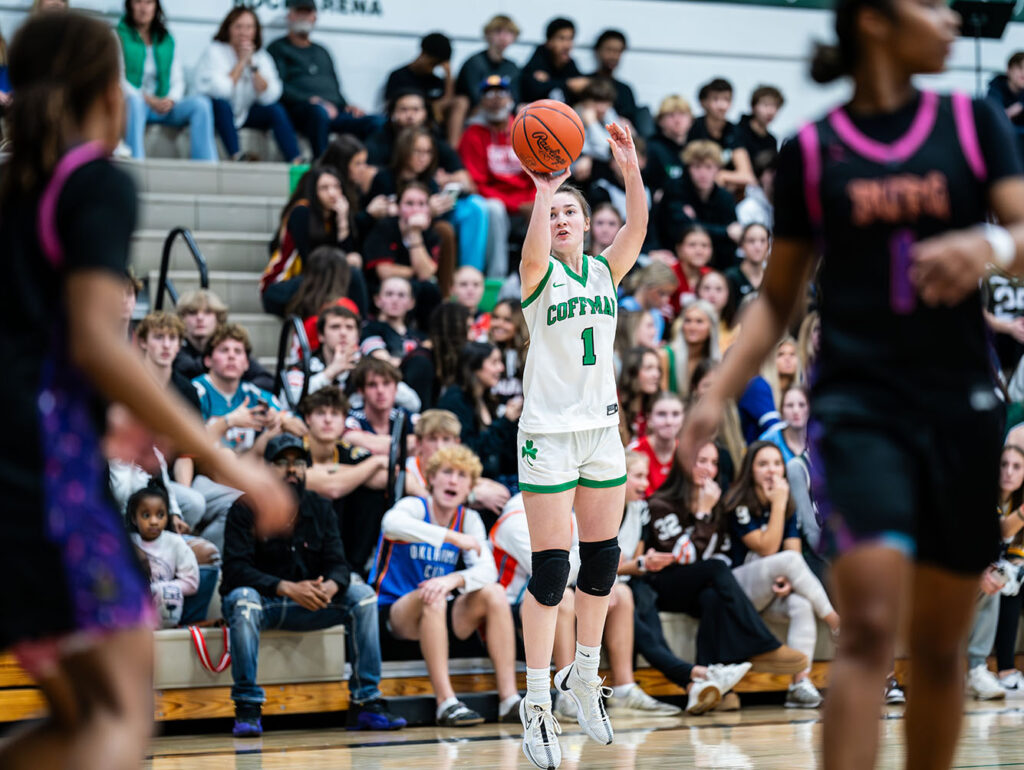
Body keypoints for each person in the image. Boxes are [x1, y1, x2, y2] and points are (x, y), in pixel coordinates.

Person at [679, 0, 1024, 758]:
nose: (950, 21)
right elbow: (778, 301)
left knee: (937, 645)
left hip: (961, 404)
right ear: (873, 18)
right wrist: (712, 392)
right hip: (859, 405)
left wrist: (989, 244)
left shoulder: (975, 124)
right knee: (869, 624)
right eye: (930, 5)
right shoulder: (811, 150)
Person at [0, 13, 291, 768]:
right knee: (122, 721)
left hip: (31, 472)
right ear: (107, 94)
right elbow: (99, 340)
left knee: (86, 720)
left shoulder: (13, 195)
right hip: (46, 484)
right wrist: (226, 459)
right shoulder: (94, 181)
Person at [515, 122, 645, 769]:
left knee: (601, 564)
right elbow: (535, 250)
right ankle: (537, 701)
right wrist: (545, 187)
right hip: (547, 436)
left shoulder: (604, 272)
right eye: (556, 213)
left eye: (572, 210)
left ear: (589, 225)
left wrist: (630, 169)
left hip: (601, 430)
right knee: (550, 573)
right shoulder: (538, 279)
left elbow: (638, 230)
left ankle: (583, 676)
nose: (563, 217)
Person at [222, 433, 406, 736]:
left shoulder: (320, 507)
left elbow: (339, 563)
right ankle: (247, 707)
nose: (291, 469)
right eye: (282, 462)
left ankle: (367, 702)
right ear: (267, 469)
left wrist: (332, 586)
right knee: (243, 599)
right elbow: (235, 570)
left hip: (313, 602)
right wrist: (286, 587)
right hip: (268, 603)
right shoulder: (244, 508)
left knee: (362, 596)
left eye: (298, 463)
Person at [644, 444, 810, 709]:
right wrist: (702, 515)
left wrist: (710, 512)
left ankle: (713, 689)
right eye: (700, 460)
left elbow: (722, 553)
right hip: (666, 584)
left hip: (701, 585)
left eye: (713, 462)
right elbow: (681, 557)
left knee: (713, 596)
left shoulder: (718, 504)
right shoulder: (661, 503)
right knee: (716, 571)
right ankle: (762, 644)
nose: (708, 468)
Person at [370, 445, 521, 726]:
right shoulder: (414, 505)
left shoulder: (469, 518)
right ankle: (446, 702)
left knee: (494, 593)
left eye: (462, 476)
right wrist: (451, 538)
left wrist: (454, 579)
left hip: (440, 612)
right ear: (431, 478)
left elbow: (487, 570)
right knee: (433, 595)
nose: (453, 480)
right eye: (447, 472)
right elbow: (390, 524)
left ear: (469, 487)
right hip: (395, 612)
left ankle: (509, 700)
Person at [609, 453, 752, 714]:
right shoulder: (604, 508)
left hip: (629, 581)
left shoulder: (639, 509)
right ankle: (699, 674)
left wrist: (641, 564)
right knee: (636, 605)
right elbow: (604, 565)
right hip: (602, 585)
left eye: (647, 476)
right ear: (618, 475)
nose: (645, 483)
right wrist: (640, 564)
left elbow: (635, 561)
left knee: (646, 600)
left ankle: (692, 685)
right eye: (639, 476)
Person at [723, 441, 840, 708]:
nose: (771, 470)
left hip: (770, 589)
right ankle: (835, 621)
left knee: (801, 604)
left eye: (777, 463)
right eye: (763, 464)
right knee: (788, 560)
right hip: (738, 590)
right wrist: (777, 504)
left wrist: (788, 582)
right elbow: (765, 548)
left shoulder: (786, 503)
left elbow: (793, 553)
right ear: (750, 469)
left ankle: (800, 683)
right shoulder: (739, 501)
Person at [267, 0, 380, 157]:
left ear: (315, 17)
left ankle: (366, 170)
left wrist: (347, 105)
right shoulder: (278, 48)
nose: (304, 17)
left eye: (308, 13)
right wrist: (311, 100)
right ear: (290, 15)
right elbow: (278, 88)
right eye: (300, 12)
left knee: (376, 122)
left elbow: (334, 87)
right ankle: (322, 166)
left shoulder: (322, 51)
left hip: (333, 110)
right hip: (303, 111)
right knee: (318, 112)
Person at [195, 6, 301, 164]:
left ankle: (296, 159)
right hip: (219, 112)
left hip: (245, 112)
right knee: (222, 106)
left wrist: (252, 66)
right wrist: (241, 62)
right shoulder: (214, 51)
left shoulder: (261, 56)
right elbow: (221, 91)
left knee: (275, 110)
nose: (243, 32)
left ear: (256, 31)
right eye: (238, 26)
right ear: (228, 28)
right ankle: (236, 156)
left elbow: (271, 95)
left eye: (249, 27)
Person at [119, 0, 217, 161]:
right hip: (138, 102)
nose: (143, 8)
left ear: (156, 7)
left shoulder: (166, 39)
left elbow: (178, 79)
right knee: (134, 102)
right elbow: (118, 79)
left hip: (164, 104)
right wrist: (148, 99)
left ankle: (206, 166)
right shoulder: (119, 35)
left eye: (149, 3)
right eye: (138, 2)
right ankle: (135, 163)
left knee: (201, 104)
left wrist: (170, 100)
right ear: (129, 5)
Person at [262, 166, 366, 317]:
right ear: (313, 191)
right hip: (282, 286)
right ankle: (361, 325)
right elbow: (310, 262)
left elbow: (345, 257)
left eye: (336, 187)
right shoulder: (301, 212)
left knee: (352, 274)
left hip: (318, 284)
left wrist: (343, 221)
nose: (332, 193)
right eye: (324, 188)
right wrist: (345, 261)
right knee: (351, 274)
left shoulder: (336, 216)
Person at [458, 74, 534, 241]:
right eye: (489, 95)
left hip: (529, 200)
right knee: (494, 209)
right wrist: (516, 206)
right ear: (481, 102)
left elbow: (540, 173)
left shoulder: (526, 130)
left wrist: (535, 202)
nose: (496, 100)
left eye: (501, 94)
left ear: (511, 99)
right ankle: (498, 269)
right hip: (497, 203)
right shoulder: (473, 135)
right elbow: (478, 184)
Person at [437, 341, 522, 485]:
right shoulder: (455, 400)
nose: (501, 368)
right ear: (475, 366)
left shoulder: (487, 399)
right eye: (494, 362)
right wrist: (505, 422)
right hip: (469, 482)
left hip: (500, 479)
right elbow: (468, 450)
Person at [656, 140, 741, 269]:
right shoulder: (675, 188)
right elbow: (679, 229)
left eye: (708, 167)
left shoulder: (725, 197)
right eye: (697, 167)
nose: (703, 173)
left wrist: (694, 221)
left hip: (717, 262)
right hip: (674, 257)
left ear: (718, 169)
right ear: (688, 168)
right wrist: (724, 232)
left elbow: (733, 237)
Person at [126, 482, 199, 629]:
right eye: (146, 515)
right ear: (134, 518)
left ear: (167, 516)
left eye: (160, 515)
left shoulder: (175, 543)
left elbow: (192, 583)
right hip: (135, 611)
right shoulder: (127, 541)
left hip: (165, 610)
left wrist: (158, 588)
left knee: (168, 595)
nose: (154, 522)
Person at [452, 15, 521, 146]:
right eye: (498, 31)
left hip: (504, 114)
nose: (503, 37)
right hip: (477, 114)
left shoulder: (512, 67)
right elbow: (474, 97)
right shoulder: (474, 63)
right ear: (487, 34)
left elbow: (516, 98)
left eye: (509, 33)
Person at [686, 78, 755, 191]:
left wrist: (723, 175)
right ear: (704, 102)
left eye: (727, 100)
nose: (722, 106)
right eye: (716, 99)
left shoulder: (734, 130)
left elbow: (747, 176)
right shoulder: (693, 127)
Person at [993, 445, 1024, 691]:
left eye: (1017, 467)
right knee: (1009, 586)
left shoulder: (1018, 499)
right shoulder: (984, 495)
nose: (1009, 472)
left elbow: (1017, 553)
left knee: (1016, 579)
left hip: (1004, 570)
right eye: (1004, 465)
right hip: (979, 572)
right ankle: (1004, 670)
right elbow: (1001, 532)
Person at [384, 32, 455, 127]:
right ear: (423, 54)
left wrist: (448, 75)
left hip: (431, 128)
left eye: (437, 65)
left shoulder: (435, 81)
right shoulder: (398, 76)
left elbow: (446, 103)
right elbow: (391, 107)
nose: (433, 68)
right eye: (432, 63)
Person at [627, 392, 685, 498]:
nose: (669, 421)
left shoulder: (687, 453)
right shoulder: (634, 450)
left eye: (675, 414)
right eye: (661, 414)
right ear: (649, 418)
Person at [520, 17, 588, 104]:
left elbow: (580, 84)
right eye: (562, 39)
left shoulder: (569, 63)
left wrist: (550, 81)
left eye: (570, 39)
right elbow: (533, 89)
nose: (567, 45)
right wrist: (567, 84)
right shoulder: (539, 59)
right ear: (549, 42)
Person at [662, 299, 720, 397]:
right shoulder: (666, 355)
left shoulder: (715, 360)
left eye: (699, 321)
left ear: (711, 328)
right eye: (688, 321)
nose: (692, 327)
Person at [589, 30, 643, 133]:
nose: (613, 56)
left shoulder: (625, 90)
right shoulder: (583, 83)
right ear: (598, 50)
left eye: (618, 51)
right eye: (609, 50)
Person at [646, 95, 693, 196]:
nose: (677, 120)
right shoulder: (650, 148)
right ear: (660, 121)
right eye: (671, 115)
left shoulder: (695, 148)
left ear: (691, 121)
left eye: (682, 114)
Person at [619, 262, 677, 343]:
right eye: (662, 293)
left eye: (669, 295)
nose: (666, 300)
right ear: (646, 286)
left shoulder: (657, 316)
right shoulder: (625, 308)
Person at [617, 346, 662, 447]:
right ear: (632, 371)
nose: (656, 374)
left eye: (658, 368)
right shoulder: (615, 404)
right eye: (649, 368)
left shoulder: (655, 405)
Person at [489, 298, 528, 404]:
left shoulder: (529, 354)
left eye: (507, 320)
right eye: (495, 317)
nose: (498, 323)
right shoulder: (483, 350)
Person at [986, 52, 1024, 159]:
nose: (1023, 72)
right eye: (1020, 68)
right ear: (1009, 70)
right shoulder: (995, 89)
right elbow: (994, 115)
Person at [736, 86, 784, 166]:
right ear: (753, 106)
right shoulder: (736, 131)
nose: (770, 111)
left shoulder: (771, 140)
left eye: (775, 106)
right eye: (766, 105)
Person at [725, 223, 771, 303]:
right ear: (741, 245)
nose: (758, 247)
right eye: (751, 241)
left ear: (768, 245)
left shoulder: (773, 278)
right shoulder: (730, 277)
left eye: (763, 241)